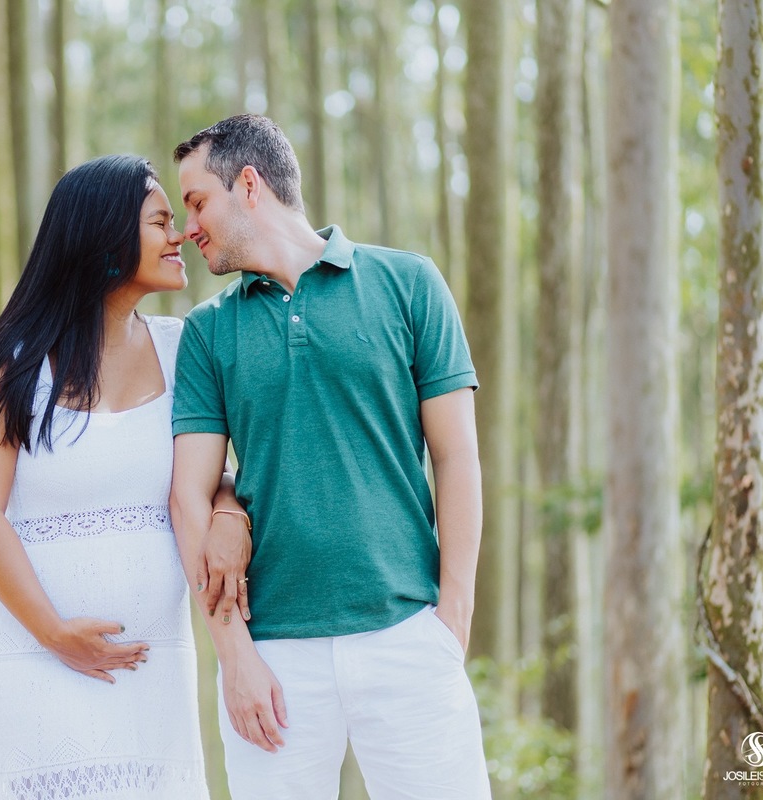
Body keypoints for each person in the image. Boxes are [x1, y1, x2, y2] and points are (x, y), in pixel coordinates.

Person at [168, 115, 492, 800]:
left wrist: (451, 622)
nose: (186, 227)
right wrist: (234, 657)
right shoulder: (207, 332)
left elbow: (457, 457)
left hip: (409, 634)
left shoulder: (409, 284)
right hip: (274, 658)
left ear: (248, 184)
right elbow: (187, 496)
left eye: (196, 202)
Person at [0, 154, 245, 799]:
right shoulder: (12, 363)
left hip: (152, 665)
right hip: (31, 655)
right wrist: (55, 634)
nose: (180, 236)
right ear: (103, 237)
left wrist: (228, 509)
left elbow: (206, 477)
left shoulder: (183, 348)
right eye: (160, 221)